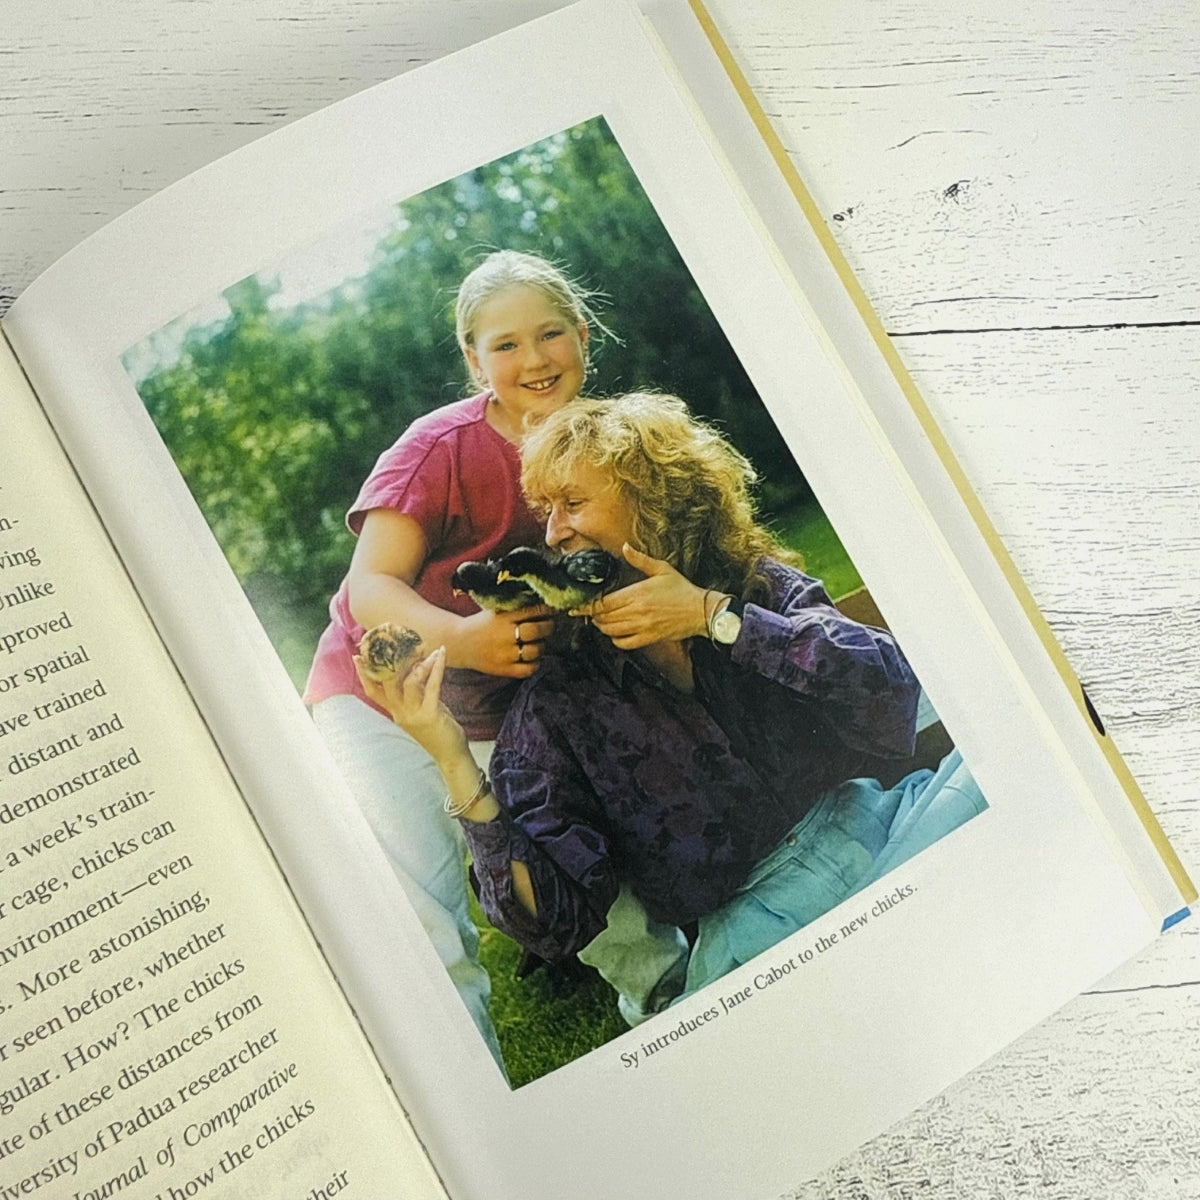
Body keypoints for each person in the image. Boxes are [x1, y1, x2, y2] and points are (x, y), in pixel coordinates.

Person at [360, 392, 987, 1024]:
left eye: (573, 504)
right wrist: (451, 757)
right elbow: (552, 921)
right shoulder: (560, 700)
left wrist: (712, 617)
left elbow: (894, 688)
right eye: (545, 511)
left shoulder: (752, 587)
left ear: (654, 503)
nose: (552, 532)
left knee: (1002, 769)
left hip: (888, 828)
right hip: (759, 936)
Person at [304, 250, 602, 1066]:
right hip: (379, 701)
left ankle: (675, 996)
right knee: (425, 922)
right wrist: (465, 638)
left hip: (506, 706)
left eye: (550, 335)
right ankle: (470, 1091)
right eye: (505, 345)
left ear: (583, 335)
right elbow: (371, 589)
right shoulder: (440, 446)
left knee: (579, 868)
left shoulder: (604, 444)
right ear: (474, 360)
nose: (534, 359)